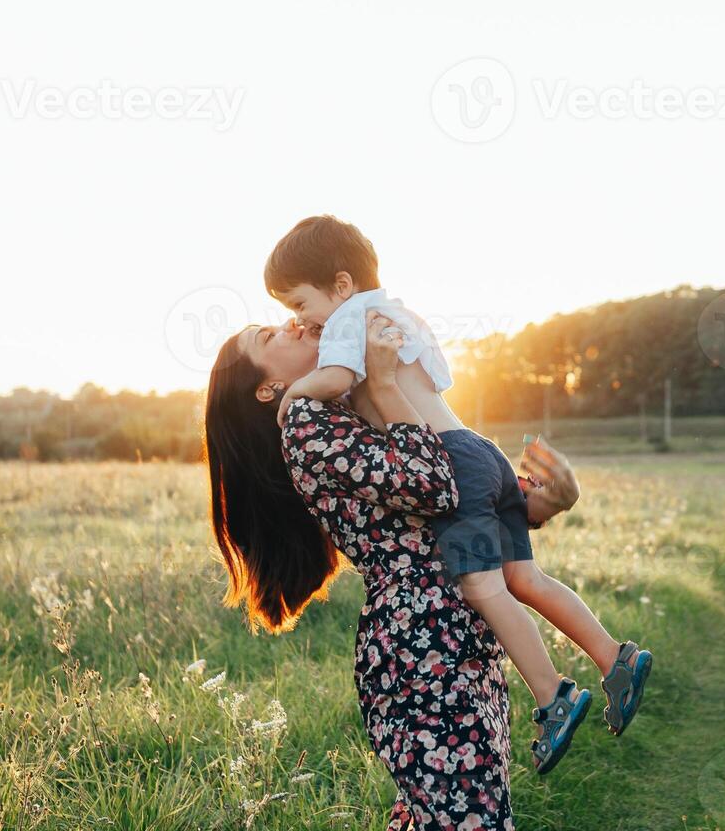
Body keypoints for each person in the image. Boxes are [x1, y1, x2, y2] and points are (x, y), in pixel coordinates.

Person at [263, 214, 654, 773]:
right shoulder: (400, 312)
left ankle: (552, 697)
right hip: (478, 448)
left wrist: (294, 393)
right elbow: (437, 380)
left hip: (453, 465)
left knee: (485, 589)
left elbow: (333, 382)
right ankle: (614, 657)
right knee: (526, 579)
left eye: (300, 305)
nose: (302, 321)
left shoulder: (352, 321)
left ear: (341, 285)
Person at [207, 311, 575, 831]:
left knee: (449, 826)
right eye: (268, 337)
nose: (290, 325)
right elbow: (435, 485)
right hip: (422, 650)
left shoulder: (340, 408)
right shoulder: (308, 424)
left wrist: (539, 504)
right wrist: (381, 381)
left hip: (453, 636)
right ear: (268, 389)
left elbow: (450, 512)